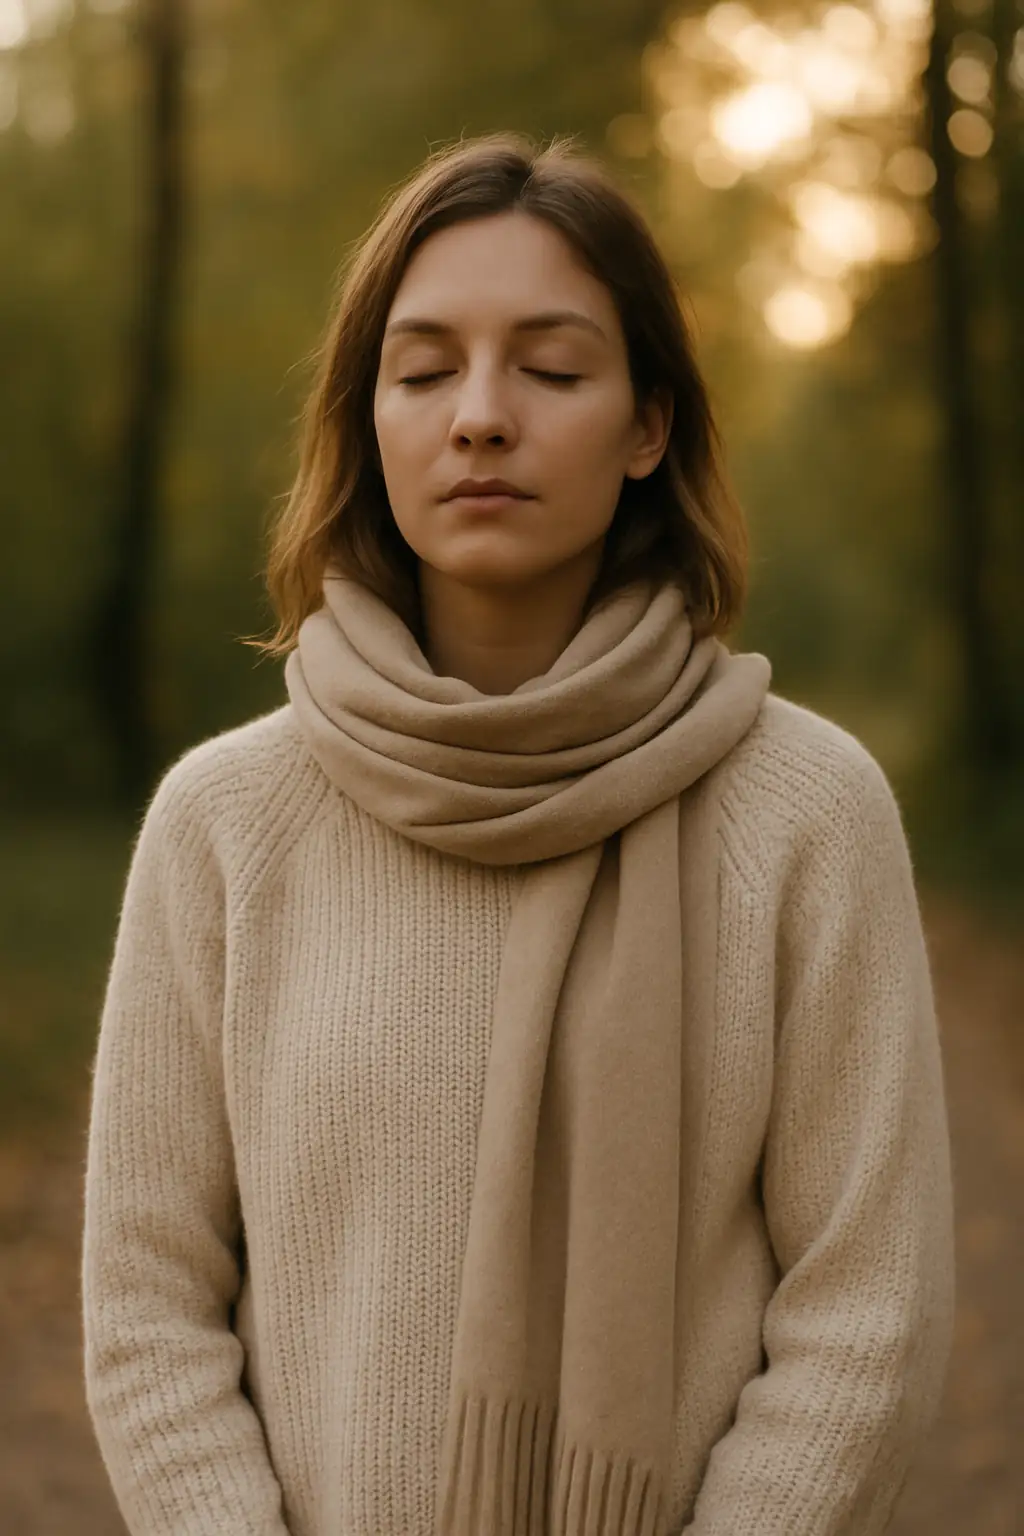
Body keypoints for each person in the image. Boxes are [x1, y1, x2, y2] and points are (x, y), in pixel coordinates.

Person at [81, 132, 955, 1536]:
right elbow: (148, 1306)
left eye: (551, 370)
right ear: (367, 419)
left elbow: (868, 1308)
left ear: (648, 423)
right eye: (424, 372)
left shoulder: (805, 810)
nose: (481, 417)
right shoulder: (226, 824)